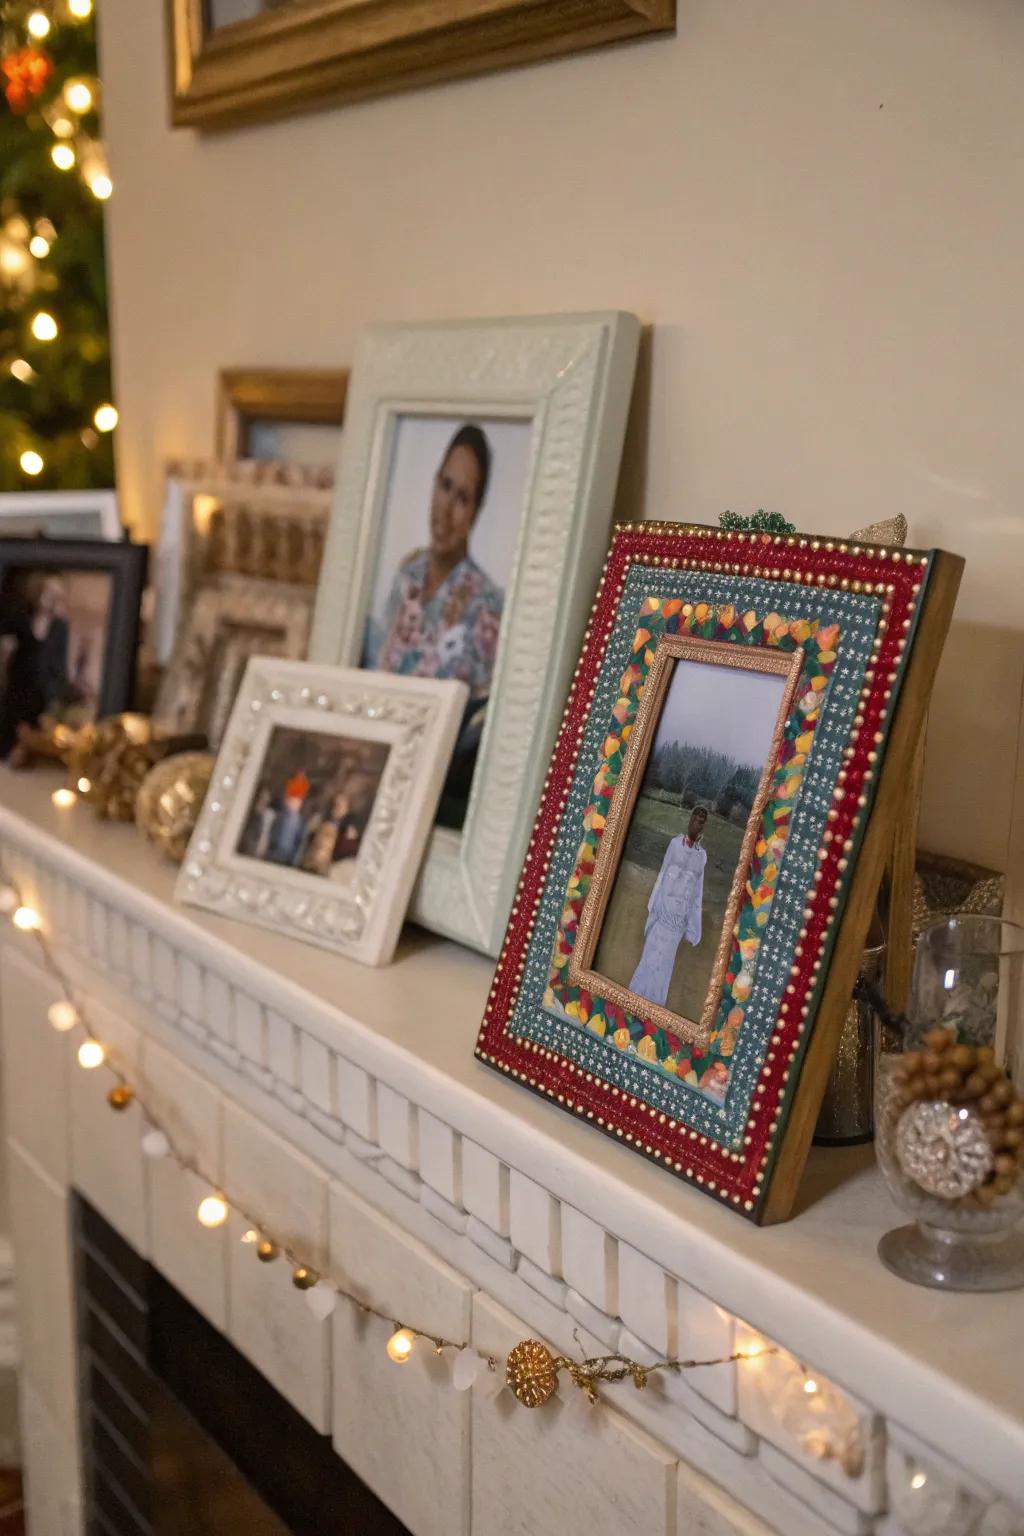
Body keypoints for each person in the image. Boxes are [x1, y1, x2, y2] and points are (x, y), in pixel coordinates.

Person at [370, 423, 503, 704]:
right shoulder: (408, 574)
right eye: (445, 486)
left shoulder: (486, 605)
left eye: (463, 499)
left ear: (475, 513)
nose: (446, 509)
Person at [628, 806, 708, 1009]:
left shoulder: (701, 857)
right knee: (648, 962)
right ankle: (630, 1004)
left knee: (663, 970)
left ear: (703, 826)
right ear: (690, 819)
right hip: (661, 917)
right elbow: (662, 877)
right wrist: (652, 910)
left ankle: (652, 1013)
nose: (697, 824)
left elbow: (697, 893)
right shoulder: (674, 845)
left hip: (676, 924)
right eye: (695, 819)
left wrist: (693, 928)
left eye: (702, 821)